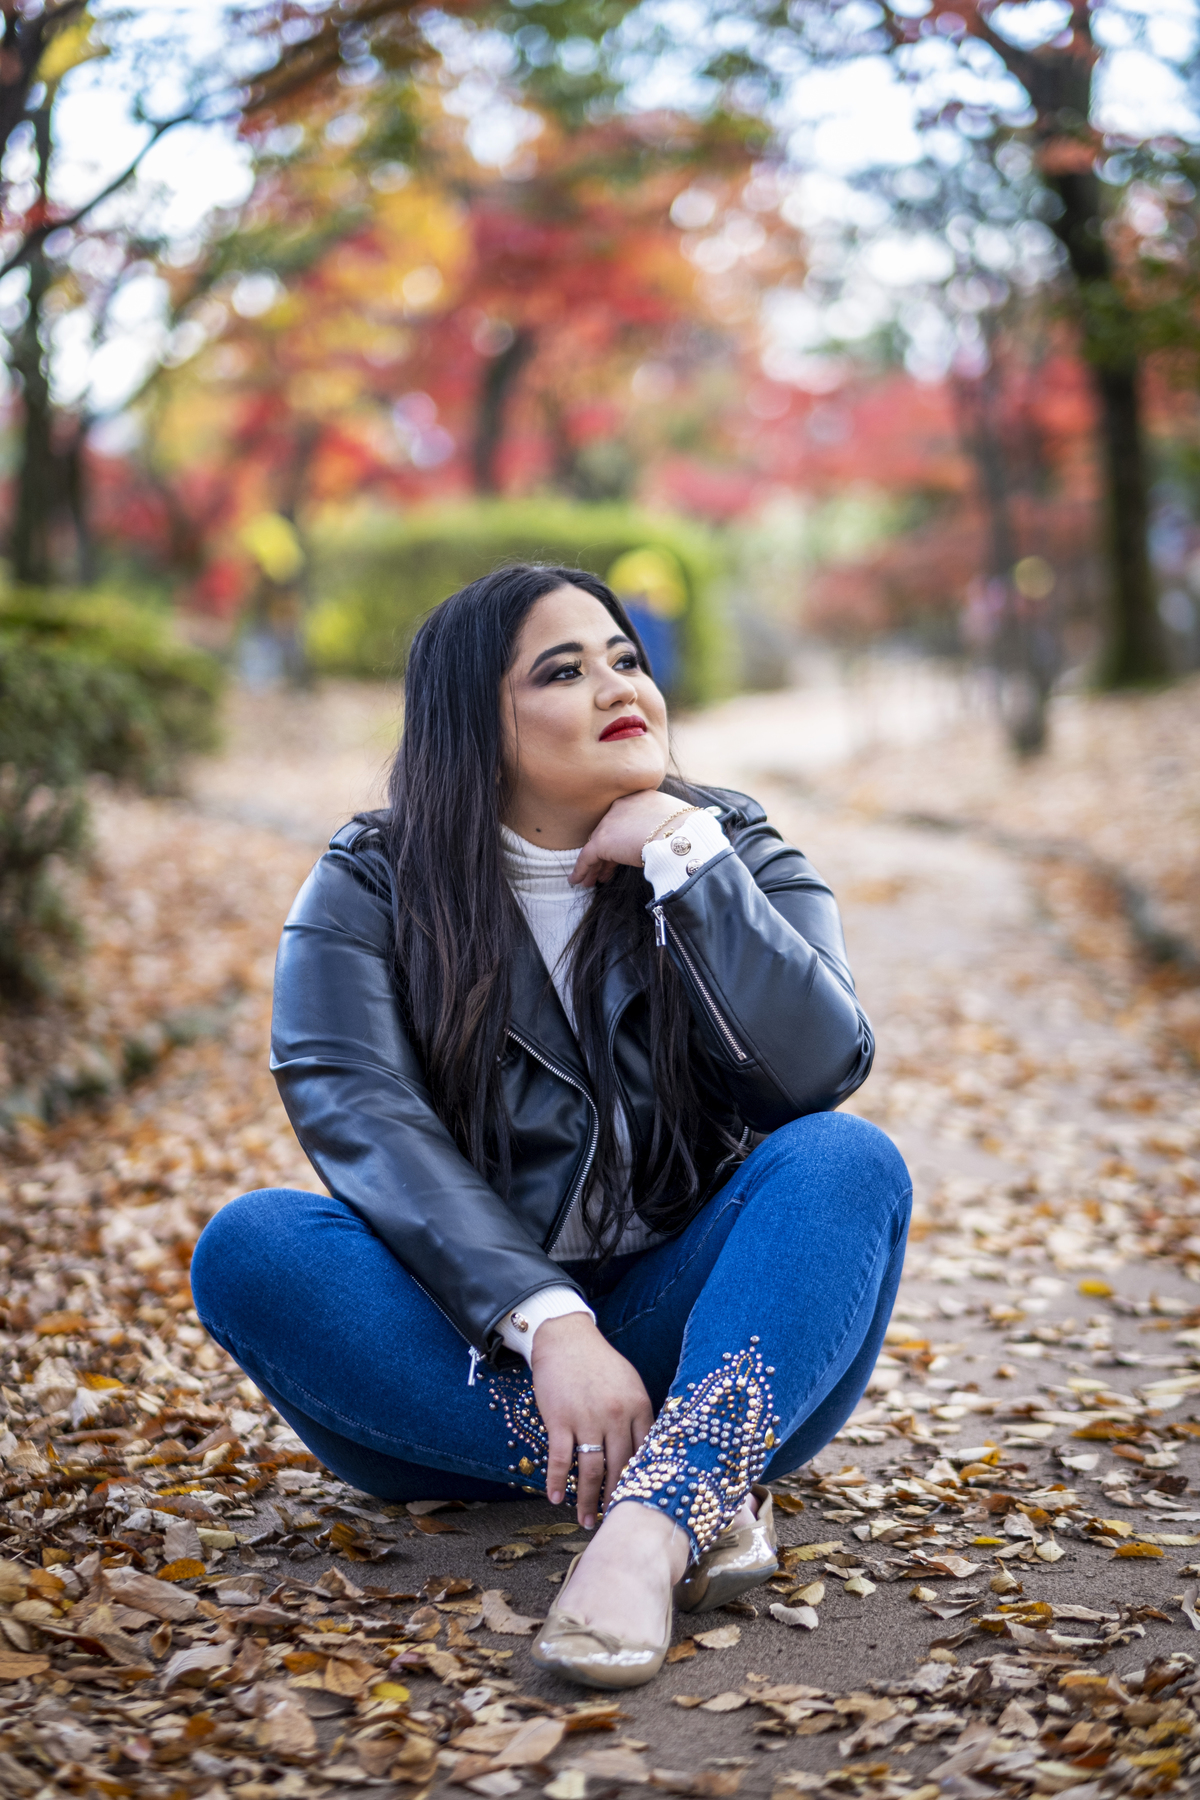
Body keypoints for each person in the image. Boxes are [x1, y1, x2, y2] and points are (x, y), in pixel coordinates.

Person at [190, 564, 911, 1691]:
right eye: (563, 670)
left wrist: (688, 867)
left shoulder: (728, 843)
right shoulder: (374, 881)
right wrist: (552, 1330)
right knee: (252, 1246)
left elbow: (820, 1072)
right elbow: (357, 1109)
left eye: (625, 657)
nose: (618, 685)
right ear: (477, 722)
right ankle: (701, 1479)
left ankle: (655, 1518)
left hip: (706, 1332)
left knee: (846, 1163)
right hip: (474, 1366)